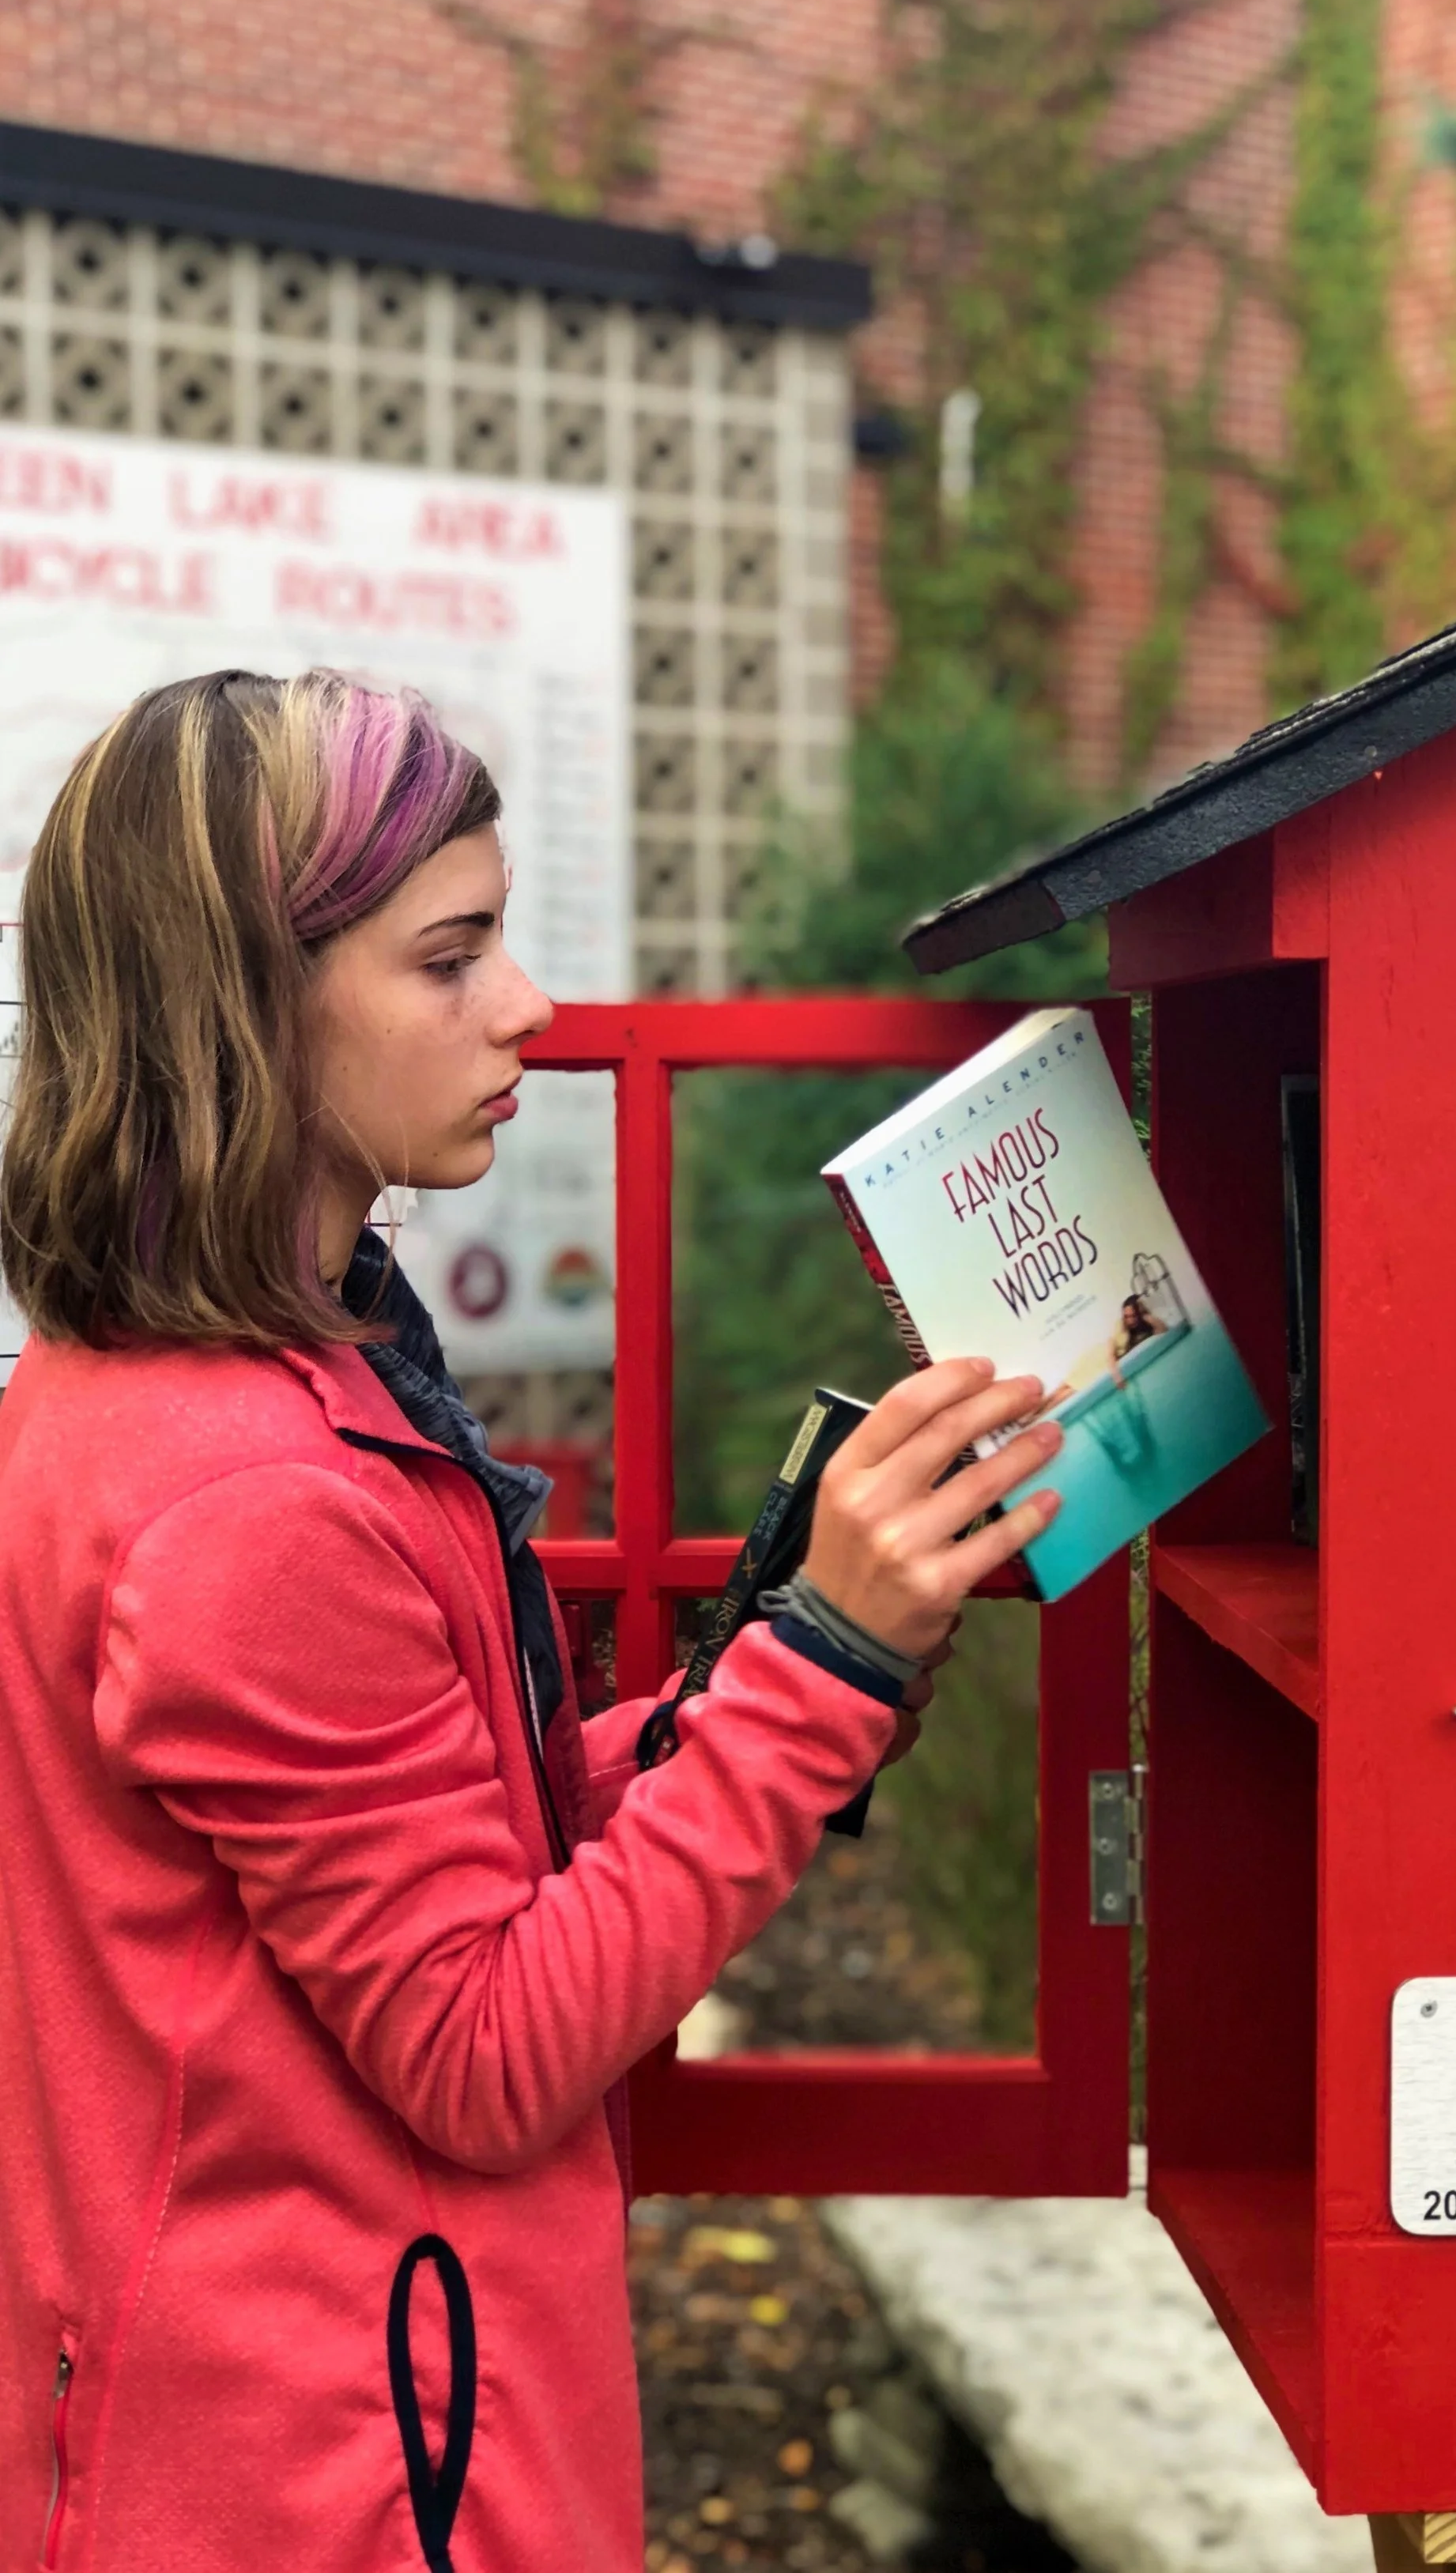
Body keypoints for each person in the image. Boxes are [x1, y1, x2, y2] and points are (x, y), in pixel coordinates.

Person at [0, 669, 1063, 2573]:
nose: (526, 1007)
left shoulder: (152, 1383)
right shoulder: (253, 1494)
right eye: (451, 954)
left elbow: (426, 1835)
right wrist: (815, 1668)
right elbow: (483, 2043)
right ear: (247, 1000)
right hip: (354, 2469)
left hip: (249, 2413)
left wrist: (766, 1684)